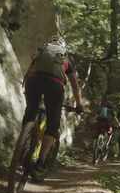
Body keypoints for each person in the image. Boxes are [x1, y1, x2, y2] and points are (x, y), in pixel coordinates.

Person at [19, 35, 83, 182]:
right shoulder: (65, 58)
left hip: (33, 82)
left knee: (30, 112)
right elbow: (74, 85)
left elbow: (29, 72)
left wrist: (26, 86)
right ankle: (40, 163)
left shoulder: (41, 52)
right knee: (53, 125)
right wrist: (79, 104)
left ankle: (22, 145)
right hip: (54, 86)